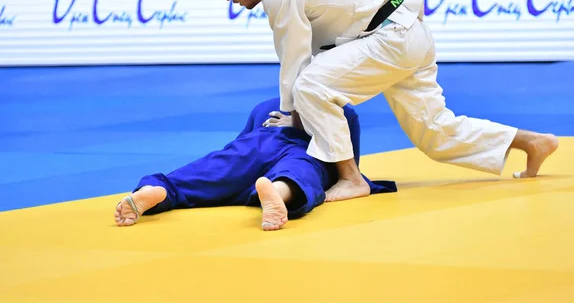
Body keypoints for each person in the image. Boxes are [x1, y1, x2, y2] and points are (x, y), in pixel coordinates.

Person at [197, 0, 559, 202]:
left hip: (390, 37)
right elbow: (315, 46)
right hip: (407, 32)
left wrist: (292, 115)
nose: (229, 0)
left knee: (311, 86)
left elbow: (293, 60)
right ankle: (531, 142)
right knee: (434, 133)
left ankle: (352, 180)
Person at [114, 97, 397, 230]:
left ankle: (161, 190)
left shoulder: (265, 106)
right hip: (308, 151)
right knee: (299, 174)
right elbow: (347, 160)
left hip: (259, 142)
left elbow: (238, 147)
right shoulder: (342, 109)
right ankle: (278, 193)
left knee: (216, 169)